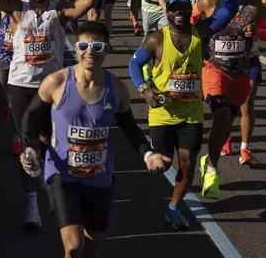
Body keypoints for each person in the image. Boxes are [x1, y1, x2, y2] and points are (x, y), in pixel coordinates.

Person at [0, 0, 106, 231]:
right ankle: (32, 208)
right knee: (30, 147)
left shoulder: (59, 11)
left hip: (53, 89)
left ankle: (56, 195)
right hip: (21, 86)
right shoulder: (17, 8)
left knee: (56, 145)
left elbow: (87, 3)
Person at [21, 21, 170, 258]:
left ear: (107, 50)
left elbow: (129, 126)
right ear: (77, 49)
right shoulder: (57, 82)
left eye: (97, 47)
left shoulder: (118, 89)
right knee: (73, 246)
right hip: (63, 174)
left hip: (99, 177)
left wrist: (148, 154)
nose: (90, 52)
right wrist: (28, 149)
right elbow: (30, 115)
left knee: (92, 245)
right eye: (83, 46)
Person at [129, 0, 239, 227]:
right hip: (163, 113)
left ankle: (174, 207)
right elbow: (134, 64)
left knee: (187, 165)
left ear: (191, 13)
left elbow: (229, 11)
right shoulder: (156, 39)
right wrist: (145, 89)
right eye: (175, 10)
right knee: (163, 163)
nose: (179, 14)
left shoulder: (201, 32)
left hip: (191, 113)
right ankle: (153, 195)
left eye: (184, 10)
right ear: (167, 13)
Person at [197, 0, 265, 198]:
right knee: (221, 116)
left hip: (240, 71)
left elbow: (263, 31)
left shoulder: (255, 7)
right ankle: (213, 171)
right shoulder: (209, 2)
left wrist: (254, 32)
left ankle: (209, 159)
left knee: (227, 122)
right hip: (214, 69)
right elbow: (188, 27)